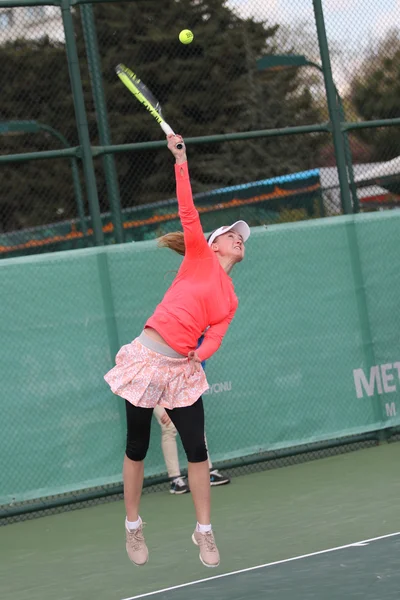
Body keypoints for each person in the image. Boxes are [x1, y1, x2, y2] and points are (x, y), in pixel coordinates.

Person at [104, 133, 250, 569]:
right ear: (214, 244)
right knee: (136, 445)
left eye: (242, 238)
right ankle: (133, 524)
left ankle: (203, 532)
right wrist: (180, 159)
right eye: (232, 235)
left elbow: (215, 339)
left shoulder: (231, 299)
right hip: (147, 358)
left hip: (182, 369)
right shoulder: (197, 258)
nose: (240, 239)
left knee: (198, 451)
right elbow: (188, 208)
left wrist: (195, 357)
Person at [153, 403, 230, 494]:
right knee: (169, 426)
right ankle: (174, 480)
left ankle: (207, 474)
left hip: (176, 392)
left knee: (195, 425)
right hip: (154, 394)